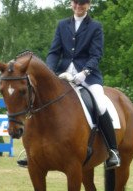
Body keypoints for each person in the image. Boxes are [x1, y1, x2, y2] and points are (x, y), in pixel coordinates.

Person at [17, 0, 120, 170]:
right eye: (76, 3)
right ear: (71, 4)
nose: (79, 7)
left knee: (100, 105)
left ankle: (112, 150)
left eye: (83, 4)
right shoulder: (62, 25)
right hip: (62, 76)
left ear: (89, 5)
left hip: (87, 77)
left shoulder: (95, 26)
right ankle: (31, 151)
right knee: (39, 102)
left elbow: (96, 54)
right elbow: (54, 52)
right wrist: (49, 74)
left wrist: (84, 72)